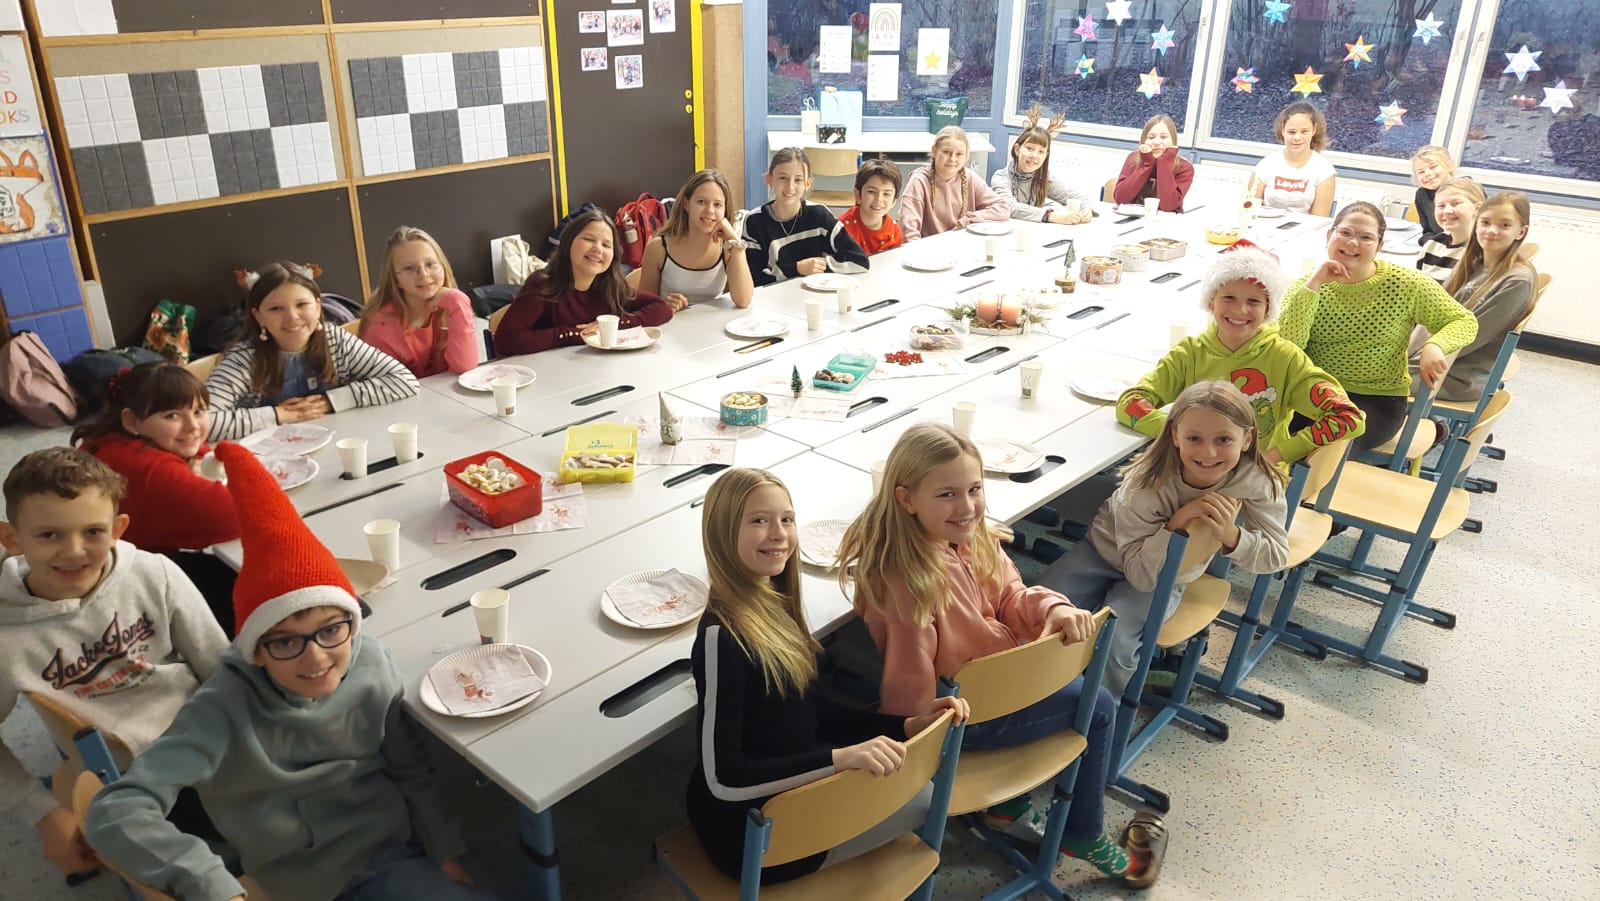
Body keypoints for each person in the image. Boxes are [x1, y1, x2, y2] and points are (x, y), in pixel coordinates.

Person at [83, 442, 490, 901]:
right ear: (255, 650)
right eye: (285, 642)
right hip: (307, 879)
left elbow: (409, 767)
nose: (315, 659)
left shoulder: (371, 662)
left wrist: (444, 848)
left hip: (393, 850)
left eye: (330, 630)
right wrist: (211, 884)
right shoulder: (221, 710)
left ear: (351, 622)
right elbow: (115, 810)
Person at [837, 423, 1165, 888]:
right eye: (947, 495)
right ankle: (1083, 834)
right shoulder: (907, 585)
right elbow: (909, 690)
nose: (967, 507)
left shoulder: (971, 537)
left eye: (974, 489)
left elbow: (1010, 594)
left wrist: (1051, 607)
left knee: (1078, 687)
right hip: (961, 718)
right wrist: (918, 744)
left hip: (998, 686)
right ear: (906, 499)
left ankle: (1008, 807)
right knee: (1099, 705)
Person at [686, 468, 968, 884]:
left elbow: (813, 709)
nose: (779, 533)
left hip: (798, 795)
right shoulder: (721, 638)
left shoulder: (774, 601)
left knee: (914, 787)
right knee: (926, 800)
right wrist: (839, 760)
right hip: (750, 839)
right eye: (759, 520)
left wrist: (904, 725)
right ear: (722, 533)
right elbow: (722, 780)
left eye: (786, 519)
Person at [0, 448, 227, 878]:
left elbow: (218, 665)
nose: (74, 552)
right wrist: (41, 812)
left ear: (118, 529)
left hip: (209, 735)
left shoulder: (155, 573)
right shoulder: (6, 640)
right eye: (48, 535)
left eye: (93, 532)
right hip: (135, 781)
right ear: (12, 540)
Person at [1045, 382, 1289, 695]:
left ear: (1247, 439)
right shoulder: (1145, 484)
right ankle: (1033, 700)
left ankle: (1099, 711)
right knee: (1037, 610)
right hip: (1101, 553)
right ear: (1175, 435)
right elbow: (1136, 568)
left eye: (1224, 439)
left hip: (1162, 577)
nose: (1208, 453)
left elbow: (1276, 555)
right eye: (1194, 438)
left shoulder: (1255, 479)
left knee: (1114, 639)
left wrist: (1231, 535)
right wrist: (1179, 521)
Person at [1118, 242, 1365, 466]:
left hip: (1254, 479)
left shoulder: (1286, 359)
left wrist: (1275, 455)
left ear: (1268, 309)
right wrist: (1181, 436)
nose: (1240, 310)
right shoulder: (1189, 353)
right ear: (1211, 302)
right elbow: (1129, 403)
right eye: (1229, 298)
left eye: (1254, 301)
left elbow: (1348, 418)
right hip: (1193, 472)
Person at [1278, 202, 1477, 453]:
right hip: (1314, 393)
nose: (1353, 243)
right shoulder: (1306, 286)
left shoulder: (1405, 283)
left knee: (1315, 448)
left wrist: (1435, 345)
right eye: (1345, 233)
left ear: (1379, 246)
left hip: (1375, 400)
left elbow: (1463, 321)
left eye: (1366, 237)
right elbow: (1288, 347)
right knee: (1256, 430)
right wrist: (1314, 285)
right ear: (1329, 235)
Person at [73, 362, 240, 633]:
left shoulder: (115, 437)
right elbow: (239, 513)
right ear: (132, 421)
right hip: (125, 598)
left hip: (119, 567)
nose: (192, 426)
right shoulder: (146, 468)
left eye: (199, 411)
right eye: (172, 416)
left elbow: (201, 451)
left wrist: (195, 462)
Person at [205, 262, 420, 441]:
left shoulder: (334, 340)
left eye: (301, 304)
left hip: (336, 443)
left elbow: (403, 380)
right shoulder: (244, 359)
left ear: (317, 307)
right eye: (275, 309)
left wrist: (330, 401)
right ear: (258, 317)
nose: (292, 317)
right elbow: (202, 423)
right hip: (268, 458)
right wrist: (280, 415)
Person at [495, 209, 674, 355]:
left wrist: (611, 326)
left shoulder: (610, 285)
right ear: (568, 243)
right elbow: (506, 340)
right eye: (589, 239)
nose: (597, 248)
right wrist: (572, 334)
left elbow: (661, 308)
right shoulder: (543, 284)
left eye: (606, 245)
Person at [1421, 192, 1537, 403]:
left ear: (1521, 232)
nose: (1491, 230)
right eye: (1485, 222)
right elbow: (1437, 311)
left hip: (1453, 376)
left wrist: (1407, 357)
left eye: (1504, 225)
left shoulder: (1516, 281)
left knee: (1363, 375)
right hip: (1438, 358)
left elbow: (1469, 339)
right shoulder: (1474, 262)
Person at [356, 226, 478, 378]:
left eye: (430, 264)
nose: (423, 274)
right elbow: (390, 386)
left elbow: (465, 368)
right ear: (396, 280)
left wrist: (458, 301)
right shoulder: (381, 326)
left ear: (443, 267)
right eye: (409, 268)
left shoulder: (452, 306)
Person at [738, 147, 869, 286]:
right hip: (773, 295)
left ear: (808, 184)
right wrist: (797, 268)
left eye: (798, 180)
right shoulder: (754, 221)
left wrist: (817, 267)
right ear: (769, 179)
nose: (790, 187)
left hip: (815, 293)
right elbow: (752, 278)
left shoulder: (819, 215)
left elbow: (860, 260)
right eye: (783, 178)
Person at [639, 169, 755, 310]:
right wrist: (664, 307)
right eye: (701, 202)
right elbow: (643, 307)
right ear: (686, 204)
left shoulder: (729, 247)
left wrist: (735, 241)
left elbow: (743, 300)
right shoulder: (658, 248)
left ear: (725, 209)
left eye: (717, 205)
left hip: (713, 322)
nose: (710, 211)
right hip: (672, 322)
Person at [898, 126, 1010, 240]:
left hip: (962, 245)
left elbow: (1002, 208)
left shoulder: (970, 178)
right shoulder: (919, 182)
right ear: (934, 151)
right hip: (929, 248)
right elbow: (908, 232)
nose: (952, 159)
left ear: (966, 156)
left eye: (959, 154)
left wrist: (968, 220)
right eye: (946, 152)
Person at [990, 108, 1092, 224]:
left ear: (1045, 156)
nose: (1034, 155)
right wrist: (1050, 216)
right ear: (1017, 149)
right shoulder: (1001, 177)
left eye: (1041, 152)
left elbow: (1074, 196)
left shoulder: (1043, 177)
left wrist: (1086, 209)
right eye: (1030, 148)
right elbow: (1009, 207)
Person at [1247, 102, 1336, 216]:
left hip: (1305, 227)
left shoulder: (1325, 170)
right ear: (1282, 130)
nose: (1297, 137)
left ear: (1314, 130)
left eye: (1304, 132)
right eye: (1291, 132)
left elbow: (1319, 219)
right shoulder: (1266, 164)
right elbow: (1248, 209)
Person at [1113, 114, 1194, 213]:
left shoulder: (1185, 167)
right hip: (1133, 217)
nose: (1156, 142)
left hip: (1167, 219)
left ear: (1173, 140)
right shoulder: (1133, 159)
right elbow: (1120, 199)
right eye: (1151, 138)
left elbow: (1168, 206)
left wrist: (1165, 162)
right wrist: (1146, 164)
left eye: (1163, 137)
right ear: (1144, 140)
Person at [1416, 177, 1485, 284]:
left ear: (1477, 208)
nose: (1447, 211)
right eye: (1441, 206)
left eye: (1456, 203)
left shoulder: (1482, 251)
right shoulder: (1433, 245)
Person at [837, 159, 907, 254]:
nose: (878, 199)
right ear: (858, 195)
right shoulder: (841, 228)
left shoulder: (894, 230)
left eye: (886, 194)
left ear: (894, 201)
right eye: (871, 192)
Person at [1408, 146, 1456, 243]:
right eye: (1421, 172)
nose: (1427, 173)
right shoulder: (1422, 195)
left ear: (1450, 166)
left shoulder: (1464, 192)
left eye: (1433, 167)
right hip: (1438, 246)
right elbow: (1427, 232)